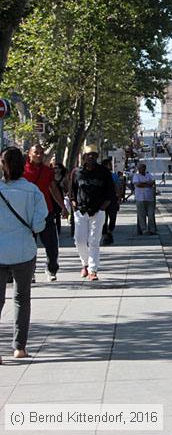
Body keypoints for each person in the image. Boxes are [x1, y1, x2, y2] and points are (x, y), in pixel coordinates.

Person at [0, 147, 48, 362]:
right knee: (21, 298)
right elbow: (38, 225)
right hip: (24, 250)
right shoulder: (33, 191)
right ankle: (19, 347)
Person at [68, 145, 115, 281]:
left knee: (94, 241)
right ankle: (85, 264)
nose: (91, 157)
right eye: (88, 155)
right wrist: (74, 205)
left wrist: (102, 208)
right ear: (84, 157)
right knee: (79, 240)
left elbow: (110, 192)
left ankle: (93, 270)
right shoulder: (76, 172)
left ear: (97, 157)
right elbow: (71, 191)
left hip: (98, 211)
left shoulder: (104, 172)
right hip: (81, 211)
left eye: (94, 155)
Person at [23, 144, 66, 282]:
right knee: (29, 245)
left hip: (46, 211)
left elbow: (53, 189)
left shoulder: (47, 171)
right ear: (29, 154)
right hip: (27, 213)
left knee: (51, 243)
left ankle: (52, 268)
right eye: (36, 152)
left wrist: (63, 206)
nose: (39, 155)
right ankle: (30, 271)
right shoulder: (22, 170)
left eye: (41, 153)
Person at [133, 162, 158, 236]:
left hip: (150, 198)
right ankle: (144, 230)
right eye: (140, 168)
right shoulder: (136, 176)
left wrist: (143, 183)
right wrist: (147, 184)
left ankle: (152, 230)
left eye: (143, 168)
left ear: (145, 168)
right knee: (141, 215)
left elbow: (152, 183)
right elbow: (138, 184)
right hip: (140, 198)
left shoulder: (149, 175)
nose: (141, 169)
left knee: (151, 215)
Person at [100, 159, 120, 245]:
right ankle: (105, 235)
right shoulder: (99, 176)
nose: (111, 166)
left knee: (113, 217)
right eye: (109, 164)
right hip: (102, 200)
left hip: (112, 199)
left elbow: (117, 188)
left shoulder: (114, 176)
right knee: (103, 219)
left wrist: (118, 198)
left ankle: (109, 231)